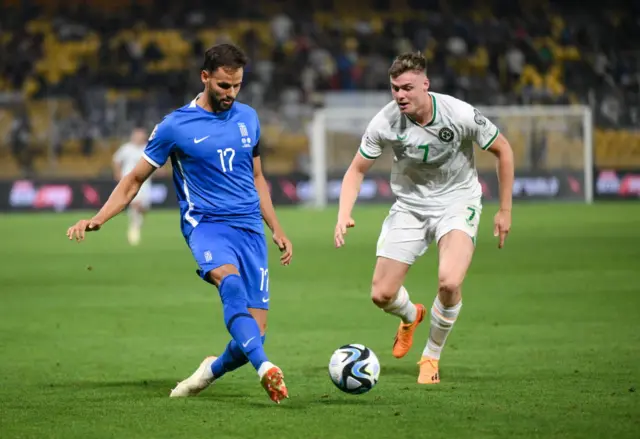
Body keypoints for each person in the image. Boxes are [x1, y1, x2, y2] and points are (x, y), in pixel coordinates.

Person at [66, 43, 292, 404]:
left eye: (236, 86)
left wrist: (276, 227)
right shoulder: (175, 126)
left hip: (250, 228)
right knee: (229, 283)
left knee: (254, 334)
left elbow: (258, 176)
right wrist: (99, 218)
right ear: (205, 77)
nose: (230, 93)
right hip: (207, 226)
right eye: (222, 85)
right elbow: (133, 180)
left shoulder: (248, 117)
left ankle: (208, 372)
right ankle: (266, 369)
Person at [334, 51, 514, 384]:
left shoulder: (458, 113)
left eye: (407, 88)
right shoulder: (385, 121)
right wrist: (344, 213)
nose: (400, 95)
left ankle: (431, 356)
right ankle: (410, 315)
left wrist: (505, 210)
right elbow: (356, 170)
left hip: (457, 202)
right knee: (381, 294)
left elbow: (503, 148)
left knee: (449, 281)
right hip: (411, 206)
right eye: (394, 88)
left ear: (425, 85)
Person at [112, 126, 151, 246]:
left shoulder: (147, 148)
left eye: (141, 135)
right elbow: (116, 160)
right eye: (137, 135)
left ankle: (136, 223)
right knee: (135, 203)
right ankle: (133, 228)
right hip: (129, 180)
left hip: (145, 182)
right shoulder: (126, 148)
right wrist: (118, 174)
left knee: (144, 208)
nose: (139, 137)